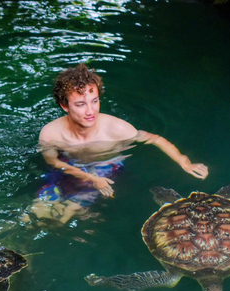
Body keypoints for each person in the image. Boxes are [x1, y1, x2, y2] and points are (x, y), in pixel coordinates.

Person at [31, 63, 209, 223]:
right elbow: (53, 162)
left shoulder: (117, 129)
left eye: (95, 101)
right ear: (64, 105)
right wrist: (91, 178)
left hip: (105, 166)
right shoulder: (51, 134)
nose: (90, 111)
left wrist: (184, 162)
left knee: (62, 218)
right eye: (80, 104)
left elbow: (154, 138)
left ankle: (81, 211)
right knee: (35, 212)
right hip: (70, 166)